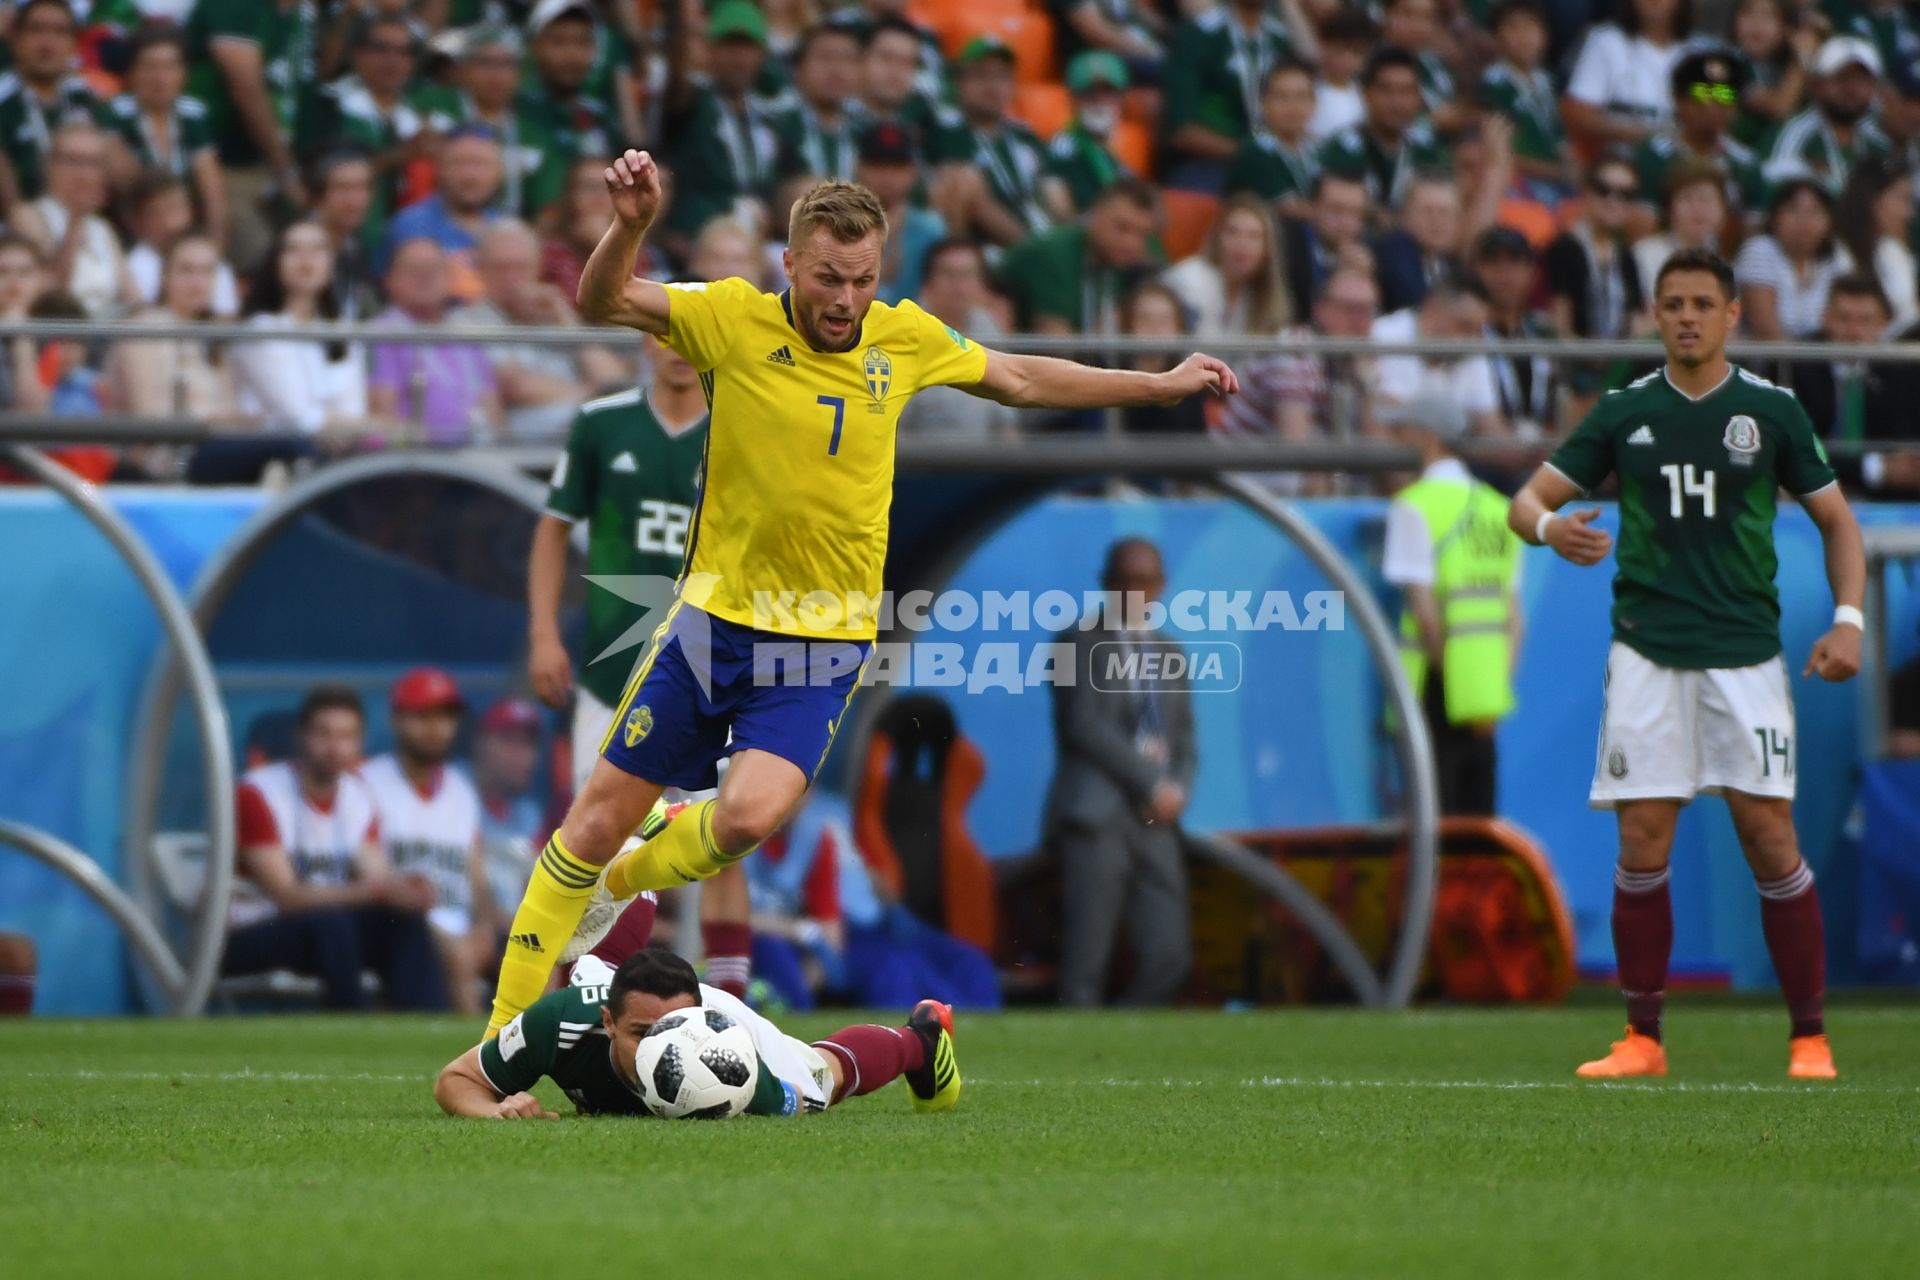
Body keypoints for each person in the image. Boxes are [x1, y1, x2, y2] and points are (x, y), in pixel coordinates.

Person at [482, 159, 1238, 1036]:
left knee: (745, 819)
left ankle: (618, 882)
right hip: (711, 622)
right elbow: (603, 298)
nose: (847, 298)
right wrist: (633, 225)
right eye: (830, 277)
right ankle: (496, 1044)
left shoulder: (903, 337)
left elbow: (1022, 379)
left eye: (865, 279)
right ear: (792, 267)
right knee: (592, 819)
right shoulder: (731, 317)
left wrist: (1156, 383)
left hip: (820, 641)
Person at [1506, 246, 1864, 1081]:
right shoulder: (1623, 410)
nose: (1688, 317)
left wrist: (1847, 620)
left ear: (1733, 314)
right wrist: (1549, 530)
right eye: (1673, 304)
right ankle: (1643, 1040)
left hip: (1744, 654)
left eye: (1704, 303)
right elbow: (1527, 500)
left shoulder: (1769, 411)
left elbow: (1839, 523)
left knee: (1769, 838)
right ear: (1656, 315)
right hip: (1646, 651)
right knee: (1641, 838)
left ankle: (1809, 1037)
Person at [526, 325, 754, 999]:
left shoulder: (744, 423)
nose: (680, 348)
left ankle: (729, 1009)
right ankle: (582, 1002)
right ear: (647, 344)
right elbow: (552, 526)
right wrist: (543, 632)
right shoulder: (601, 424)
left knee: (727, 835)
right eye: (666, 334)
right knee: (592, 839)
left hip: (714, 669)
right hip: (611, 673)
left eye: (695, 336)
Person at [434, 946, 961, 1118]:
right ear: (608, 1023)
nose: (660, 1046)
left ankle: (922, 1038)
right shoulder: (558, 1023)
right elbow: (455, 1080)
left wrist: (792, 1098)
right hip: (602, 988)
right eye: (642, 1033)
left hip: (718, 1013)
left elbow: (795, 1104)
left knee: (821, 1080)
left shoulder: (728, 1060)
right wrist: (495, 1112)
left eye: (672, 1028)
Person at [223, 685, 445, 1012]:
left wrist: (406, 892)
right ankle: (354, 1030)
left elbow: (377, 877)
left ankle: (416, 1029)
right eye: (323, 734)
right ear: (300, 736)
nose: (334, 747)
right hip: (251, 930)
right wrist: (379, 890)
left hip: (324, 933)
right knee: (330, 923)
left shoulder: (357, 795)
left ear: (359, 743)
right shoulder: (259, 792)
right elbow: (287, 896)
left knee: (403, 924)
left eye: (346, 736)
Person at [1047, 537, 1197, 1006]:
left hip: (1155, 821)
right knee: (1086, 962)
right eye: (1124, 581)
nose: (1135, 592)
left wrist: (1178, 790)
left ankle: (1121, 1049)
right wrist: (1152, 782)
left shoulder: (1170, 653)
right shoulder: (1077, 643)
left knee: (1169, 955)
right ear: (1106, 584)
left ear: (1162, 586)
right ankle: (1076, 1066)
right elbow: (1083, 725)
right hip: (1096, 817)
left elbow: (1186, 740)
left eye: (1145, 582)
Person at [1381, 398, 1524, 815]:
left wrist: (1453, 684)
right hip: (1484, 696)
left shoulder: (1414, 505)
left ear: (1427, 438)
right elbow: (1515, 620)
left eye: (1401, 432)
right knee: (1479, 824)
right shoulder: (1500, 510)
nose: (1394, 442)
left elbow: (1425, 615)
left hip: (1435, 685)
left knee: (1436, 824)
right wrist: (1489, 690)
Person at [362, 668, 492, 1016]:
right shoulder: (367, 783)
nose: (436, 728)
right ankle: (478, 1057)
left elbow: (477, 878)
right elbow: (371, 875)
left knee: (539, 949)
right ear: (396, 720)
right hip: (404, 925)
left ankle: (536, 1053)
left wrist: (486, 928)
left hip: (461, 925)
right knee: (455, 954)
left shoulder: (460, 789)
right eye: (423, 716)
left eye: (445, 716)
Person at [450, 218, 630, 441]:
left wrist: (567, 321)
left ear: (538, 266)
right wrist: (596, 398)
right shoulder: (466, 321)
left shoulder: (553, 315)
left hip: (579, 429)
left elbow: (614, 381)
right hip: (522, 436)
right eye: (501, 268)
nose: (512, 278)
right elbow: (515, 386)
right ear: (480, 269)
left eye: (521, 267)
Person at [185, 0, 314, 270]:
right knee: (264, 260)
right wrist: (286, 173)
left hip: (267, 162)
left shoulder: (300, 14)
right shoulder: (236, 5)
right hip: (223, 164)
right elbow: (247, 90)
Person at [229, 220, 370, 443]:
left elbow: (353, 409)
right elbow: (298, 418)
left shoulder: (341, 328)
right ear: (275, 262)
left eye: (318, 249)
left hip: (340, 458)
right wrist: (369, 427)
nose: (306, 259)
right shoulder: (260, 329)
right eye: (293, 249)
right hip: (273, 455)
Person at [657, 0, 779, 255]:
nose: (738, 58)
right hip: (690, 243)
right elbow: (676, 79)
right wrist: (680, 23)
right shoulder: (690, 103)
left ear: (762, 53)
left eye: (747, 47)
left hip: (750, 246)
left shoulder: (768, 118)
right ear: (709, 49)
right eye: (728, 46)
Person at [1780, 273, 1920, 493]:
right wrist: (1875, 468)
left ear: (1884, 324)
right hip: (1812, 493)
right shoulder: (1798, 367)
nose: (1854, 332)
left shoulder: (1902, 372)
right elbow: (1796, 451)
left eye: (1865, 320)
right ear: (1824, 318)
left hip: (1885, 501)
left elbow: (1903, 453)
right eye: (1844, 319)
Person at [927, 35, 1063, 244]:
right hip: (982, 241)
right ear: (960, 82)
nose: (993, 86)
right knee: (963, 181)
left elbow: (1050, 193)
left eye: (1002, 77)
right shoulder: (946, 130)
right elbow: (971, 200)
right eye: (982, 75)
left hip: (1035, 226)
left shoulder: (1024, 134)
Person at [1221, 265, 1379, 445]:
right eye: (1350, 309)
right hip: (1249, 466)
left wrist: (1368, 389)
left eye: (1368, 311)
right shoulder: (1292, 352)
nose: (1360, 322)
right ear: (1320, 310)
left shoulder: (1358, 357)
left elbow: (1375, 444)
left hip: (1296, 465)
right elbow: (1299, 451)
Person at [368, 238, 500, 445]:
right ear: (390, 280)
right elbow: (383, 416)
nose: (425, 276)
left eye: (435, 267)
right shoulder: (383, 334)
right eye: (413, 269)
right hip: (420, 460)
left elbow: (492, 406)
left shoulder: (465, 331)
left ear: (449, 278)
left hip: (478, 456)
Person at [1161, 0, 1303, 189]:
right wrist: (1250, 156)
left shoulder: (1279, 38)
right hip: (1208, 163)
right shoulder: (1197, 35)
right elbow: (1179, 130)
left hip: (1269, 160)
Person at [104, 26, 224, 247]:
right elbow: (130, 188)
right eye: (149, 66)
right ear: (131, 73)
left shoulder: (193, 113)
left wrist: (214, 250)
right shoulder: (115, 114)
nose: (160, 78)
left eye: (170, 67)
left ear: (184, 73)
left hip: (185, 228)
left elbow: (212, 191)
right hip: (134, 230)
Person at [103, 230, 237, 429]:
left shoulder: (213, 334)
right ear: (165, 275)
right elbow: (149, 413)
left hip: (215, 443)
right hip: (167, 449)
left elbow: (230, 409)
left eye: (207, 271)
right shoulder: (143, 329)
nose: (198, 282)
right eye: (186, 270)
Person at [996, 177, 1158, 334]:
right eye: (1122, 228)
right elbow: (1057, 349)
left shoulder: (1121, 264)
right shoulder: (1054, 255)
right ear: (1096, 213)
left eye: (1142, 234)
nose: (1132, 243)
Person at [10, 121, 136, 318]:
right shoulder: (27, 215)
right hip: (57, 324)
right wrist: (76, 218)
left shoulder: (101, 227)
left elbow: (132, 295)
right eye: (74, 160)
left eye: (93, 162)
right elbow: (50, 290)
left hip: (107, 326)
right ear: (49, 165)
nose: (84, 172)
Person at [897, 238, 1017, 437]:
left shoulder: (988, 326)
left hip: (983, 463)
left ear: (982, 284)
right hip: (917, 462)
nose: (958, 284)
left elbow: (1004, 419)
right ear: (928, 282)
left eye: (967, 274)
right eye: (948, 274)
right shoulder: (904, 331)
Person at [1632, 51, 1768, 224]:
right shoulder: (1653, 157)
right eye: (1700, 92)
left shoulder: (1746, 164)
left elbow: (1755, 230)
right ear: (1678, 99)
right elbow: (1641, 225)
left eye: (1724, 94)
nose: (1712, 104)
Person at [0, 0, 112, 209]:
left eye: (60, 32)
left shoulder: (84, 96)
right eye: (36, 30)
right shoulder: (3, 99)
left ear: (73, 44)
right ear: (15, 38)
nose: (47, 42)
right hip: (19, 226)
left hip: (84, 217)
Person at [1315, 46, 1448, 214]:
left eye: (1406, 91)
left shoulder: (1428, 148)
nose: (1396, 101)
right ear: (1366, 93)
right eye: (1385, 90)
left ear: (1418, 97)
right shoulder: (1342, 149)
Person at [378, 126, 505, 300]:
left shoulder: (505, 230)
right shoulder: (410, 224)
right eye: (459, 163)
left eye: (480, 164)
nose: (470, 176)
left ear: (499, 172)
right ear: (439, 169)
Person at [1370, 278, 1505, 437]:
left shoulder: (1471, 351)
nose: (1471, 339)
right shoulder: (1381, 336)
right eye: (1464, 325)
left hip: (1449, 457)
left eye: (1478, 331)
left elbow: (1491, 427)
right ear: (1433, 307)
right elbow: (1384, 418)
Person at [1763, 36, 1891, 192]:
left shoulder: (1878, 144)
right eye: (1841, 78)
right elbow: (1773, 191)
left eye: (1861, 80)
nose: (1851, 89)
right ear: (1817, 83)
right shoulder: (1795, 132)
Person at [1563, 0, 1696, 149]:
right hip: (1618, 156)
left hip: (1682, 160)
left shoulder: (1699, 51)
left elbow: (1719, 111)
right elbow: (1579, 115)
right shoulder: (1607, 41)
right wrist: (1649, 133)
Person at [1478, 0, 1576, 199]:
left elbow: (1560, 141)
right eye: (1513, 27)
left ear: (1545, 35)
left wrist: (1574, 169)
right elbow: (1503, 152)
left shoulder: (1546, 82)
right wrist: (1557, 172)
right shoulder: (1495, 83)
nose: (1523, 36)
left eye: (1531, 26)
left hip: (1555, 177)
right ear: (1496, 36)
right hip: (1520, 179)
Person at [1161, 193, 1290, 340]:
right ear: (1217, 239)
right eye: (1232, 232)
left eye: (1254, 236)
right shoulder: (1188, 281)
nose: (1242, 244)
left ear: (1267, 249)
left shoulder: (1255, 295)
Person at [1734, 178, 1850, 339]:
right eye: (1793, 209)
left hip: (1822, 357)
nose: (1804, 220)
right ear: (1775, 217)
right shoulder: (1760, 249)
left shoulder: (1837, 256)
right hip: (1768, 360)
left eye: (1815, 211)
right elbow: (1766, 330)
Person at [472, 696, 548, 932]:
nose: (521, 755)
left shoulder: (531, 816)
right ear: (479, 742)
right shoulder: (453, 794)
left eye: (527, 744)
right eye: (508, 741)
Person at [123, 171, 240, 317]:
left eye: (175, 209)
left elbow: (227, 318)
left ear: (191, 211)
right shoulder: (134, 266)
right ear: (138, 221)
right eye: (157, 213)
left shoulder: (212, 257)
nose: (169, 223)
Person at [856, 123, 944, 305]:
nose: (887, 176)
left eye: (897, 167)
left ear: (912, 172)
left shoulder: (931, 230)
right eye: (877, 165)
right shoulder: (836, 226)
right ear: (860, 168)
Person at [1223, 60, 1320, 221]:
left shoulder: (1317, 149)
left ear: (1314, 104)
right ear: (1263, 103)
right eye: (1282, 97)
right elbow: (1291, 209)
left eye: (1301, 96)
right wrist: (1342, 214)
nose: (1293, 106)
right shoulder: (1255, 150)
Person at [1833, 155, 1918, 331]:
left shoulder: (1893, 250)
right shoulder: (1835, 252)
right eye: (1903, 199)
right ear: (1872, 200)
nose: (1909, 213)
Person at [772, 22, 863, 184]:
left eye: (847, 59)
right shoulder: (777, 126)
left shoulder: (865, 129)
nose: (837, 69)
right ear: (798, 68)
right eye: (825, 58)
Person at [1048, 51, 1136, 217]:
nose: (1100, 102)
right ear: (1073, 100)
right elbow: (1060, 212)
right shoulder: (1065, 148)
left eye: (1108, 94)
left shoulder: (1115, 161)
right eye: (1090, 94)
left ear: (1121, 101)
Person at [1631, 158, 1730, 304]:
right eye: (1687, 199)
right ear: (1670, 209)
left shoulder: (1724, 264)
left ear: (1723, 211)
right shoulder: (1645, 255)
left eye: (1706, 199)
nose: (1697, 209)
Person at [1118, 280, 1210, 436]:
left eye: (1164, 320)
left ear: (1179, 328)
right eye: (1144, 318)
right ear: (1128, 324)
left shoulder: (1191, 385)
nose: (1155, 328)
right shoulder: (1112, 374)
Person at [1281, 170, 1372, 316]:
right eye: (1336, 210)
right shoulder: (1284, 247)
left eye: (1356, 213)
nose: (1346, 222)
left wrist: (1366, 280)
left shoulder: (1370, 254)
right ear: (1311, 208)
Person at [1370, 174, 1464, 313]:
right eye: (1427, 211)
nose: (1436, 221)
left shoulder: (1453, 266)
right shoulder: (1391, 252)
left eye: (1445, 213)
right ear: (1404, 216)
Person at [306, 149, 381, 318]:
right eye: (343, 188)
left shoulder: (354, 244)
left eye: (362, 187)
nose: (355, 200)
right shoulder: (298, 245)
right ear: (318, 194)